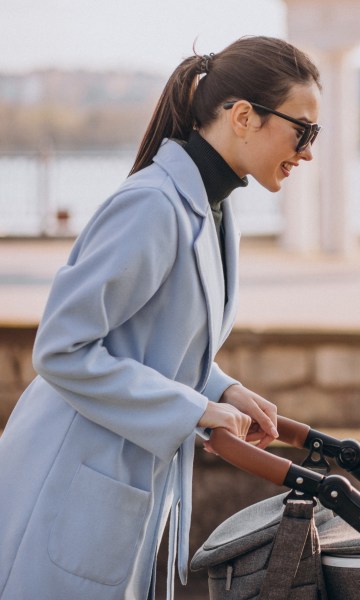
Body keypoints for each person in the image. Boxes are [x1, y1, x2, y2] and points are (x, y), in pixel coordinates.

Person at [0, 36, 321, 599]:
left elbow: (158, 341)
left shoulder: (216, 213)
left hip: (115, 482)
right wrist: (197, 408)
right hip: (66, 479)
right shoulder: (152, 204)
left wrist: (225, 389)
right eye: (304, 130)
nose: (309, 151)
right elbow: (61, 349)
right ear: (244, 116)